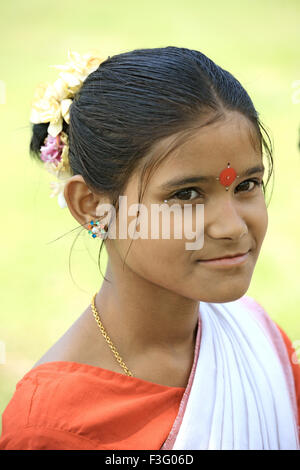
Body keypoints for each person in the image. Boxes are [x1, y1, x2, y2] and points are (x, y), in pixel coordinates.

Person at [0, 47, 299, 450]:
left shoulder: (257, 338)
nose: (232, 227)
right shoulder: (53, 426)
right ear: (93, 206)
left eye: (245, 185)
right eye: (187, 194)